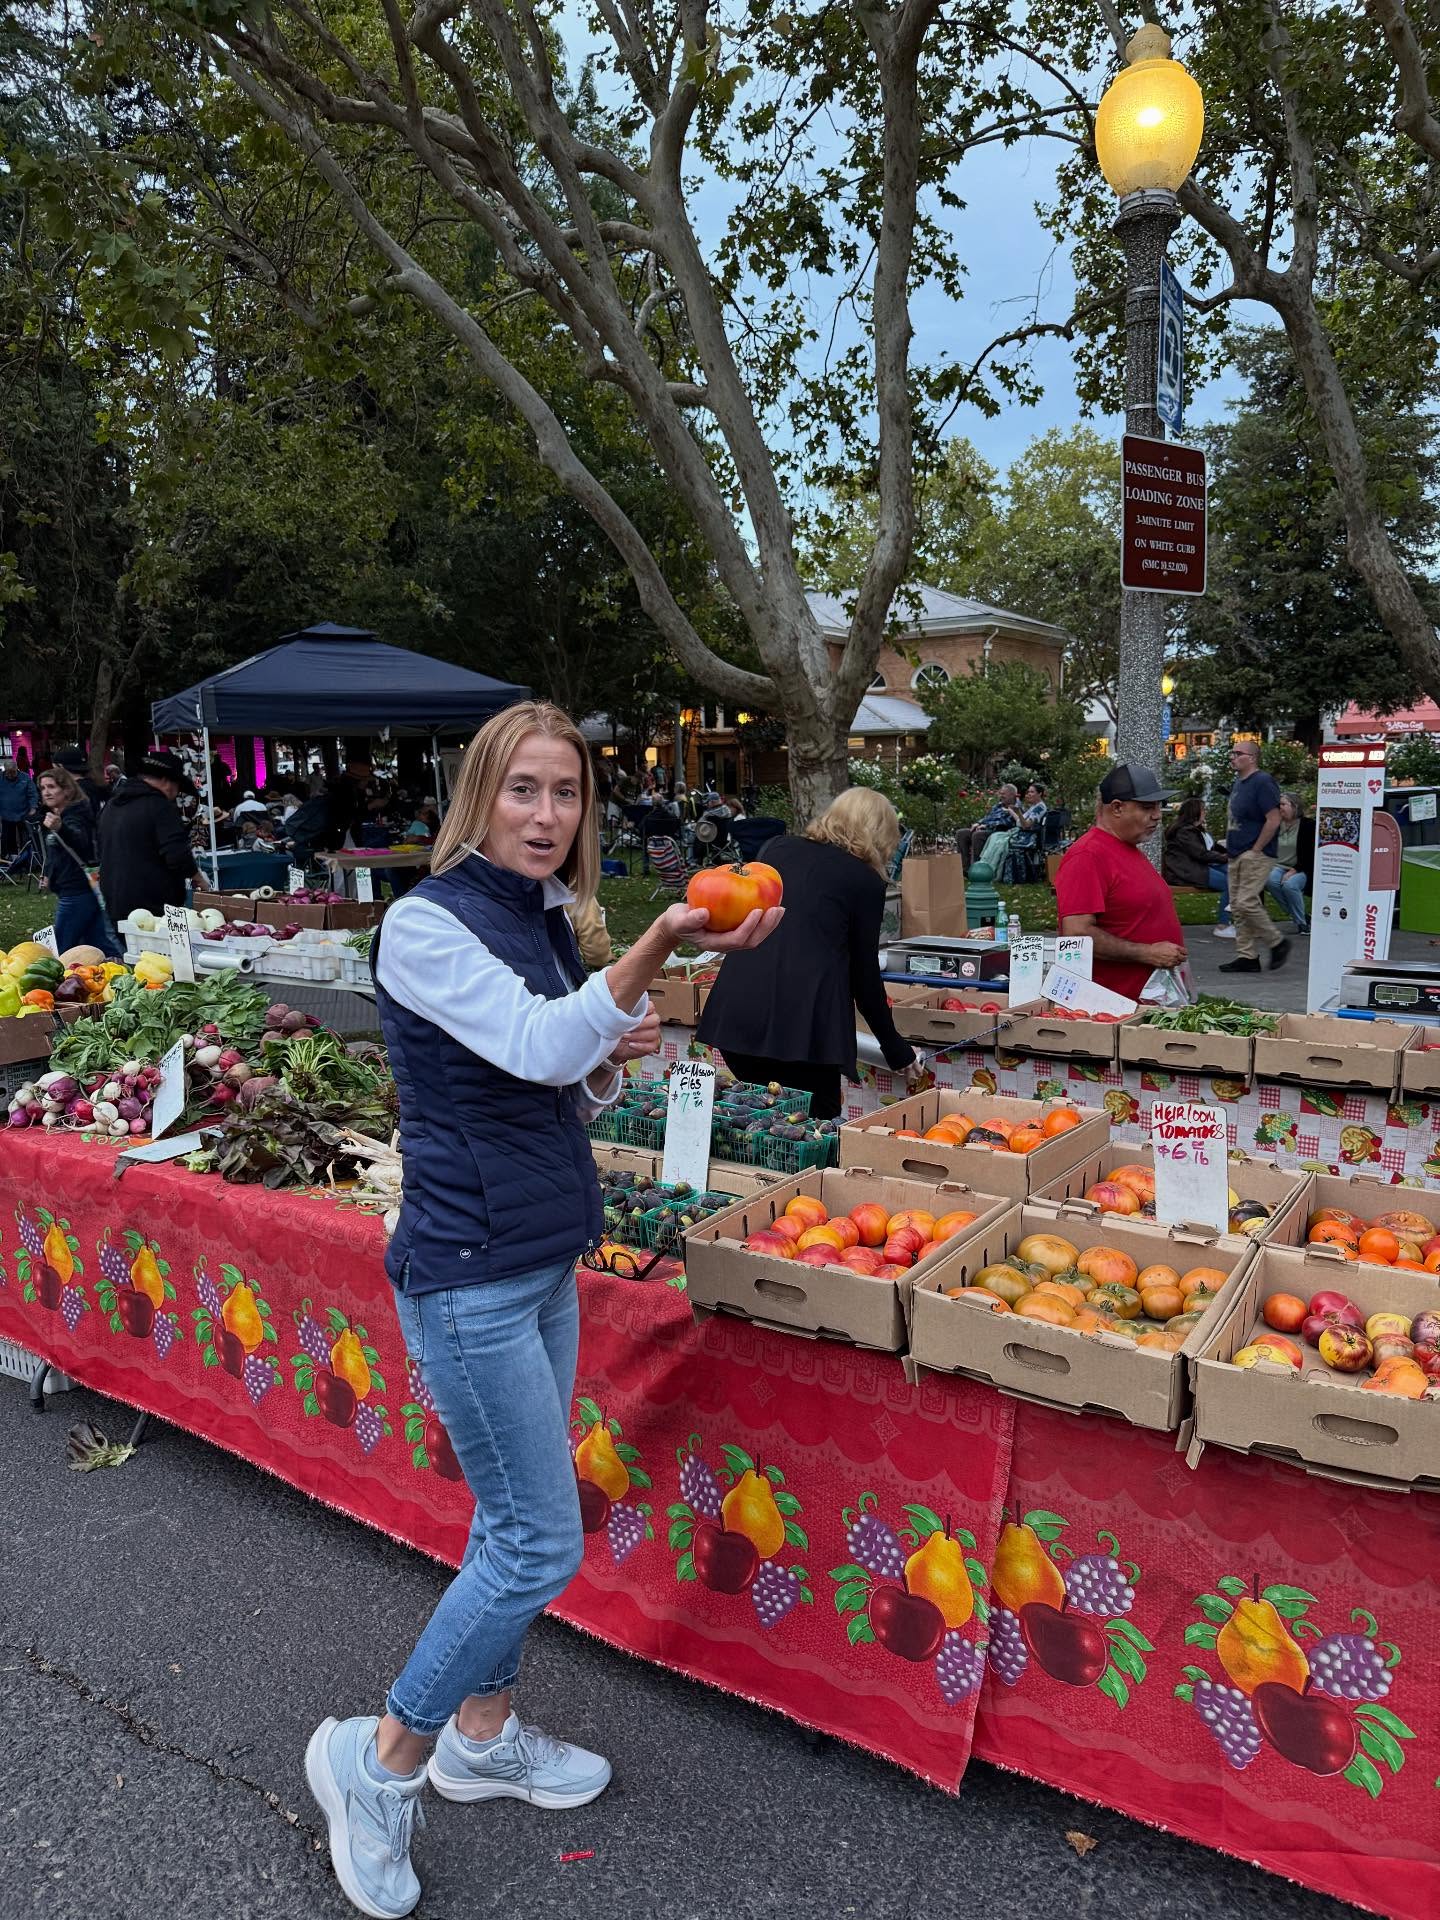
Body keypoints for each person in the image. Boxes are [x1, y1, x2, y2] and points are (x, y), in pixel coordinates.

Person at [304, 701, 778, 1920]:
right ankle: (380, 1764)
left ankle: (484, 1732)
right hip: (467, 1274)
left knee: (512, 1523)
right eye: (524, 790)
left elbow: (560, 1074)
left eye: (567, 794)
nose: (547, 815)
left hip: (537, 1260)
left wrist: (617, 1042)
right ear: (480, 796)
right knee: (539, 1540)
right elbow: (526, 1044)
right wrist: (657, 948)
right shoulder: (423, 922)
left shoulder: (542, 917)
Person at [697, 788, 916, 1117]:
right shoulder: (865, 881)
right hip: (804, 1034)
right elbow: (864, 976)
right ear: (882, 836)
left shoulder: (775, 848)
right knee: (816, 1131)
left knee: (764, 1119)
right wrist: (895, 1048)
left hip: (737, 1016)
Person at [1055, 763, 1187, 1002]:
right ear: (1117, 808)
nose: (1157, 815)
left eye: (1159, 806)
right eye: (1147, 807)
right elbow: (1076, 934)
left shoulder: (1128, 848)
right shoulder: (1088, 855)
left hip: (1146, 1001)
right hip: (1114, 1007)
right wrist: (1147, 953)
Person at [98, 750, 199, 926]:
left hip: (116, 899)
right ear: (168, 783)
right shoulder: (160, 806)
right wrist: (199, 879)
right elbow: (177, 854)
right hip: (154, 906)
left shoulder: (111, 805)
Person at [36, 767, 121, 958]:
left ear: (66, 790)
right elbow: (56, 852)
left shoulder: (75, 814)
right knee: (98, 943)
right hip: (78, 888)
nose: (46, 792)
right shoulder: (61, 814)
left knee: (60, 947)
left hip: (76, 889)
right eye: (42, 788)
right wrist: (48, 873)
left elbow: (80, 841)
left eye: (51, 787)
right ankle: (121, 973)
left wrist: (61, 828)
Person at [1221, 739, 1289, 975]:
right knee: (1238, 907)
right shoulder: (1239, 782)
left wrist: (1257, 849)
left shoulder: (1262, 782)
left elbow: (1273, 818)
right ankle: (1247, 956)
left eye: (1238, 753)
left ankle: (1277, 941)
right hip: (1236, 851)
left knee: (1246, 901)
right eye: (1232, 753)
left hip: (1255, 853)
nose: (1233, 757)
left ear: (1252, 757)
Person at [1163, 796, 1229, 910]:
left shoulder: (1196, 829)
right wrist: (1226, 857)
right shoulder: (1184, 831)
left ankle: (1246, 915)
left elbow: (1210, 848)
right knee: (1230, 884)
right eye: (1203, 809)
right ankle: (1223, 925)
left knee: (1236, 873)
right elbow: (1200, 854)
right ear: (1194, 812)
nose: (1205, 812)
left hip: (1198, 866)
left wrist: (1229, 853)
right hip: (1186, 871)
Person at [1266, 792, 1314, 933]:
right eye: (1279, 804)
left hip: (1303, 868)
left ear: (1295, 806)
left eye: (1283, 804)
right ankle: (1300, 916)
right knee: (1270, 881)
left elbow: (1310, 855)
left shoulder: (1308, 826)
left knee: (1290, 885)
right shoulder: (1276, 825)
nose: (1279, 808)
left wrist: (1294, 870)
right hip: (1279, 866)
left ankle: (1302, 924)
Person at [965, 782, 1021, 870]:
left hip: (1000, 832)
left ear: (1012, 795)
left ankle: (978, 869)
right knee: (962, 833)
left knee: (978, 835)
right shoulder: (999, 805)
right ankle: (965, 869)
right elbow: (988, 817)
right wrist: (979, 823)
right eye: (1000, 793)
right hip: (987, 828)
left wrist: (986, 826)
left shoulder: (1017, 808)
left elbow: (1006, 823)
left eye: (1003, 794)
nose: (1001, 796)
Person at [0, 758, 38, 859]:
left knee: (25, 838)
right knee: (8, 837)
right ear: (5, 770)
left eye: (13, 772)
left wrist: (33, 807)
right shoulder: (0, 778)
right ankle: (10, 858)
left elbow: (33, 793)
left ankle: (26, 857)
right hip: (6, 814)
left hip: (23, 813)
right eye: (8, 772)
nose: (11, 775)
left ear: (17, 768)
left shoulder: (25, 777)